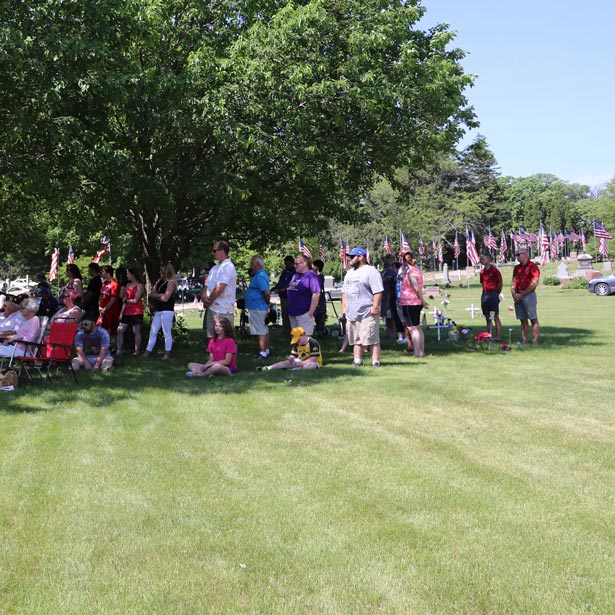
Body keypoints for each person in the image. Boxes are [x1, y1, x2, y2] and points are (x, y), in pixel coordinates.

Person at [341, 247, 384, 367]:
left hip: (367, 311)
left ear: (360, 257)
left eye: (352, 257)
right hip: (352, 313)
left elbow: (378, 291)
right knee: (356, 339)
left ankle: (376, 361)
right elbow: (344, 292)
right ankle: (357, 360)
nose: (349, 259)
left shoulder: (371, 271)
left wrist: (375, 307)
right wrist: (344, 308)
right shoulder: (349, 273)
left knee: (372, 338)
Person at [201, 240, 237, 339]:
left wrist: (208, 301)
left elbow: (220, 288)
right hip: (212, 308)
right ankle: (214, 354)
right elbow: (207, 284)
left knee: (225, 339)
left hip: (223, 310)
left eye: (214, 250)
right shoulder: (215, 268)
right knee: (212, 337)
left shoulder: (228, 267)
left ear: (222, 251)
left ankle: (226, 355)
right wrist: (204, 296)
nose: (213, 253)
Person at [397, 250, 429, 358]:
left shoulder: (411, 273)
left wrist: (423, 300)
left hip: (410, 303)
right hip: (415, 303)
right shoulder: (417, 271)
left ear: (406, 262)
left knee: (412, 328)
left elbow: (416, 288)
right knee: (417, 327)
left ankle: (417, 352)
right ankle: (421, 351)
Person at [143, 263, 177, 360]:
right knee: (153, 331)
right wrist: (159, 295)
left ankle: (167, 354)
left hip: (167, 310)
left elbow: (166, 298)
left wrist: (157, 295)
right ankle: (147, 352)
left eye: (161, 271)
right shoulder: (159, 281)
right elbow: (151, 293)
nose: (159, 272)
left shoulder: (171, 283)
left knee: (166, 332)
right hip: (159, 310)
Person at [257, 326, 322, 371]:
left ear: (303, 335)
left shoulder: (313, 343)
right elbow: (292, 355)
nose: (297, 342)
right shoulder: (297, 344)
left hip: (314, 363)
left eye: (298, 340)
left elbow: (312, 359)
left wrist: (300, 364)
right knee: (286, 362)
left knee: (309, 366)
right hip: (300, 361)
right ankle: (268, 368)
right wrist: (291, 358)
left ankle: (294, 370)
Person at [511, 246, 540, 345]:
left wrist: (522, 294)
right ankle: (524, 340)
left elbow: (534, 283)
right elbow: (514, 281)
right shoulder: (517, 268)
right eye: (516, 255)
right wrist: (513, 293)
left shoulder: (533, 267)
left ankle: (535, 341)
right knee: (522, 319)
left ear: (526, 254)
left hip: (528, 295)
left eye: (519, 255)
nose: (517, 257)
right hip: (518, 295)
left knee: (533, 318)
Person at [286, 253, 320, 335]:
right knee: (296, 339)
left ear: (304, 263)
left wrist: (310, 312)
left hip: (304, 313)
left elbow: (316, 294)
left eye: (296, 264)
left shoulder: (311, 276)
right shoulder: (295, 276)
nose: (294, 266)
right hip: (293, 312)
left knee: (304, 340)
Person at [245, 255, 271, 359]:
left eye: (252, 263)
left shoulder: (260, 275)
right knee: (263, 329)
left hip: (258, 307)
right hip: (257, 306)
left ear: (257, 264)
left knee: (260, 330)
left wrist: (267, 302)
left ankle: (263, 352)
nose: (251, 266)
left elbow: (266, 292)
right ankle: (266, 350)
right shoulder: (259, 275)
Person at [116, 267, 145, 356]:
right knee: (120, 330)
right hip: (127, 311)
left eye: (128, 274)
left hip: (137, 311)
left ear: (133, 275)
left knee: (136, 332)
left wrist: (126, 300)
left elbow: (135, 300)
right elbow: (125, 299)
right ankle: (119, 350)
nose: (127, 275)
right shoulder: (128, 285)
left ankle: (137, 351)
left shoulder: (139, 285)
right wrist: (121, 312)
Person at [479, 253, 503, 341]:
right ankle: (489, 336)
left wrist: (496, 294)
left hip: (493, 294)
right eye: (481, 258)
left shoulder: (495, 271)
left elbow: (500, 283)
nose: (482, 259)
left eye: (484, 258)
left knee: (495, 316)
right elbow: (482, 283)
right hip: (485, 295)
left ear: (490, 260)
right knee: (487, 316)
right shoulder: (482, 272)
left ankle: (498, 337)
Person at [98, 265, 121, 337]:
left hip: (112, 311)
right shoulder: (104, 283)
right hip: (102, 310)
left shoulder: (114, 284)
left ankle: (113, 346)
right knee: (102, 328)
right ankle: (104, 344)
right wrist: (100, 306)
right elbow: (101, 295)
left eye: (103, 272)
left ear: (107, 273)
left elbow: (113, 298)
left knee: (112, 331)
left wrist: (105, 308)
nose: (101, 273)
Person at [275, 255, 295, 335]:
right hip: (282, 296)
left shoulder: (294, 272)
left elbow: (293, 285)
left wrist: (285, 289)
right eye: (285, 264)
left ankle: (291, 331)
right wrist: (276, 287)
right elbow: (281, 281)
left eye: (288, 263)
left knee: (290, 314)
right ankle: (286, 330)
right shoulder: (284, 272)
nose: (287, 265)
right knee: (284, 314)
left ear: (292, 263)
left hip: (290, 296)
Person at [380, 254, 397, 341]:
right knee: (386, 316)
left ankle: (393, 334)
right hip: (383, 295)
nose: (386, 261)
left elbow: (391, 283)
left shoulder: (393, 271)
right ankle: (389, 333)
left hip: (390, 295)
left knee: (391, 316)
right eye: (385, 260)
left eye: (388, 259)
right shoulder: (383, 271)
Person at [312, 258, 328, 337]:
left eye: (313, 265)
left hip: (319, 301)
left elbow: (317, 287)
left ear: (317, 267)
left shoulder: (320, 276)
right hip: (313, 300)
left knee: (320, 319)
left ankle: (321, 334)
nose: (311, 266)